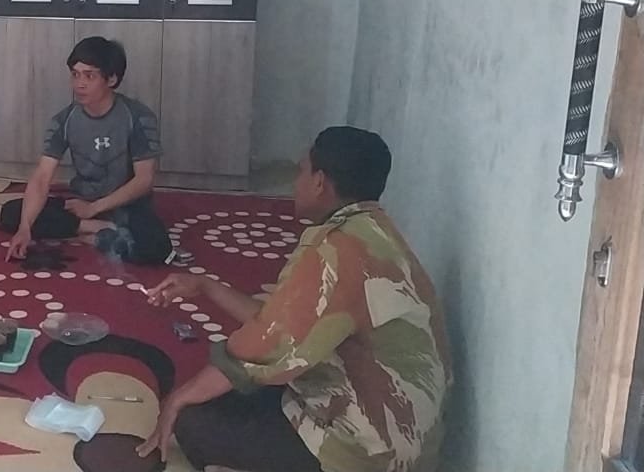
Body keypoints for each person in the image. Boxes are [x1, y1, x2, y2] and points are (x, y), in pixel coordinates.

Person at [137, 126, 451, 472]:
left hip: (368, 450)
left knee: (195, 418)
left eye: (301, 171)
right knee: (227, 390)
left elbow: (265, 347)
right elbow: (282, 323)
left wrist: (178, 400)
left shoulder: (335, 251)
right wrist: (206, 286)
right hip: (401, 434)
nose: (295, 182)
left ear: (320, 182)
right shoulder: (372, 232)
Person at [2, 36, 173, 265]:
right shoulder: (64, 120)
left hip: (125, 205)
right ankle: (93, 229)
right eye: (75, 75)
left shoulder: (138, 117)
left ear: (111, 79)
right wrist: (25, 228)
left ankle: (85, 234)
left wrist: (94, 208)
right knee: (12, 213)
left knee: (157, 247)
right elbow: (42, 177)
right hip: (81, 203)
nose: (79, 84)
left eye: (89, 76)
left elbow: (144, 180)